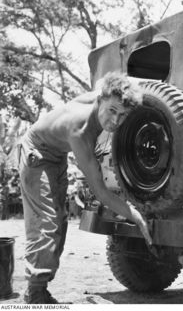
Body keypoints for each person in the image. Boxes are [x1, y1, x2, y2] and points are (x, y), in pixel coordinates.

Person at [17, 72, 152, 304]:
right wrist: (135, 215)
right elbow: (100, 191)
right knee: (46, 224)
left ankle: (40, 287)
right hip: (37, 154)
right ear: (100, 100)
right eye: (112, 111)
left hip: (56, 155)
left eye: (122, 115)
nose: (116, 121)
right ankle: (35, 293)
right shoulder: (79, 129)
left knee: (59, 222)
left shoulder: (105, 95)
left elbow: (119, 86)